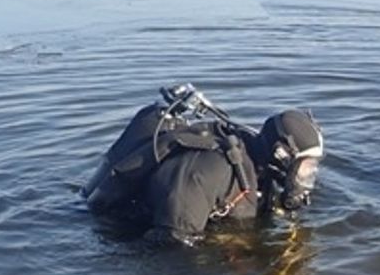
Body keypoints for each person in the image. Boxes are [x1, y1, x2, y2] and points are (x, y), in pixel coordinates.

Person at [82, 84, 324, 243]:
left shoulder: (259, 169)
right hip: (117, 231)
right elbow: (171, 246)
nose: (307, 178)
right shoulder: (207, 172)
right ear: (281, 154)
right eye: (305, 168)